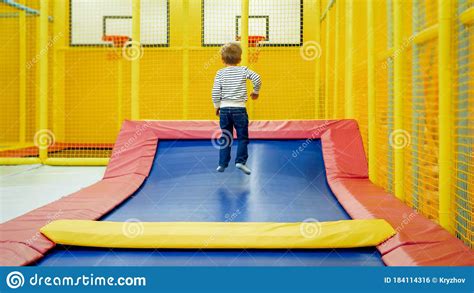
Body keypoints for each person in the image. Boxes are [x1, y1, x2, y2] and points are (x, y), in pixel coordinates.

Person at [212, 42, 262, 175]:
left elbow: (215, 92)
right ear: (240, 59)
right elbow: (257, 78)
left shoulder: (220, 73)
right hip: (239, 109)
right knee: (242, 137)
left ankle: (222, 163)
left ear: (222, 60)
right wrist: (255, 92)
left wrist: (217, 106)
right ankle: (240, 161)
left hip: (224, 109)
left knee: (226, 136)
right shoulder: (243, 70)